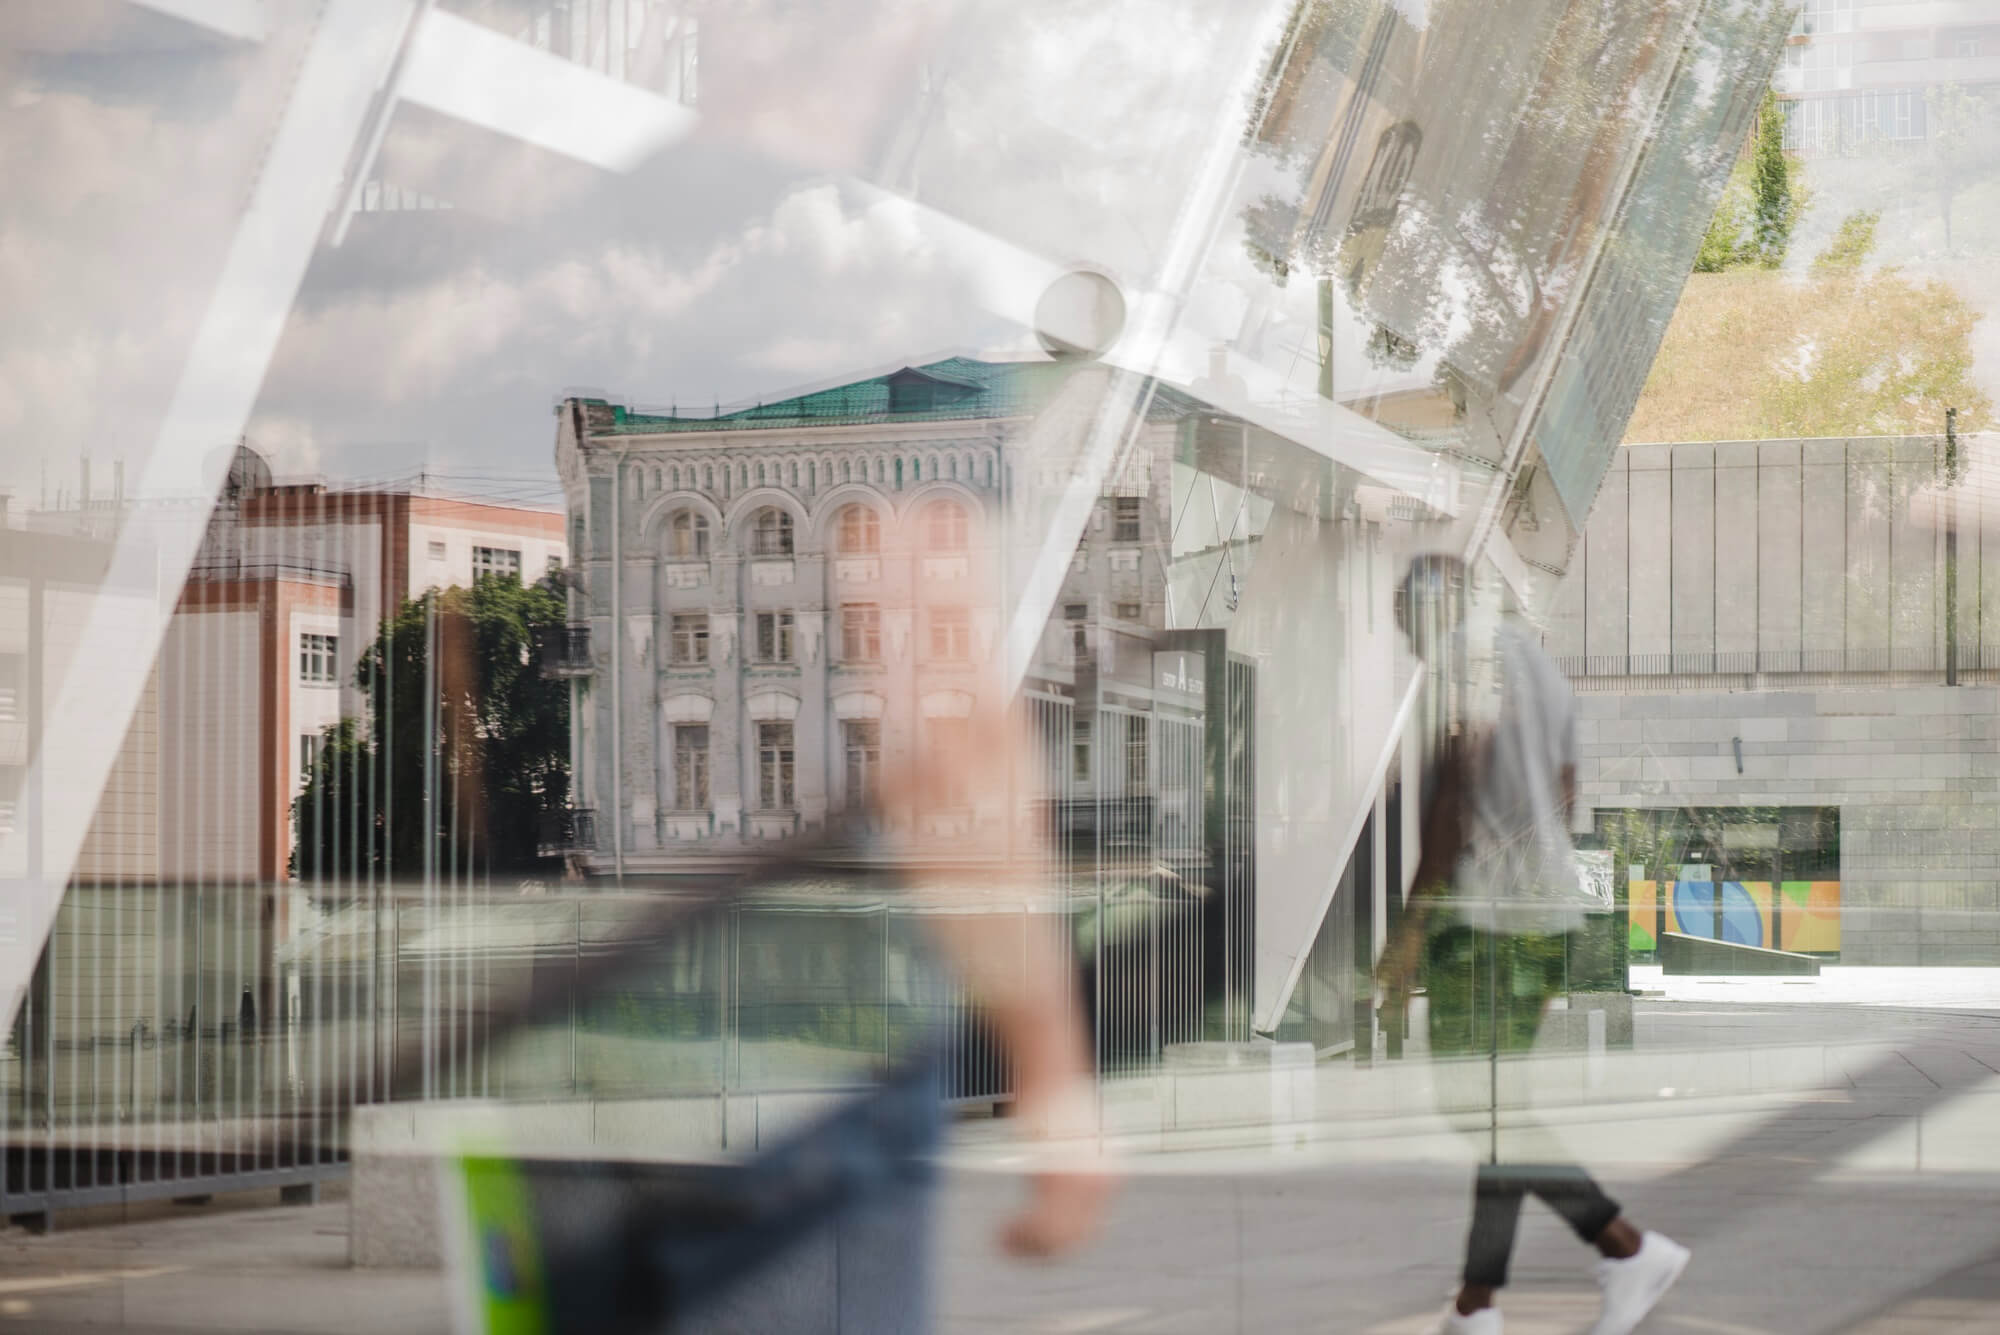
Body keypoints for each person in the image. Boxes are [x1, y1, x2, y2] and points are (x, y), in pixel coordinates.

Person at [1377, 554, 1688, 1335]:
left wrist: (1413, 928)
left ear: (1432, 609)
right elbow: (1567, 787)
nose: (1413, 645)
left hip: (1484, 927)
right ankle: (1478, 1305)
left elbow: (1452, 798)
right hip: (1543, 915)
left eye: (1407, 625)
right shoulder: (1541, 668)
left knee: (1482, 1110)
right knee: (1493, 1113)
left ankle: (1625, 1245)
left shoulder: (1464, 660)